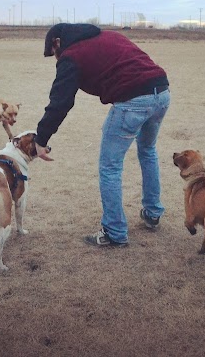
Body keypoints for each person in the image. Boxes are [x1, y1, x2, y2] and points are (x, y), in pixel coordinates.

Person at [35, 23, 170, 247]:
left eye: (54, 53)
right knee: (147, 150)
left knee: (110, 166)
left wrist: (41, 139)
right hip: (162, 92)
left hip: (133, 101)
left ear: (58, 42)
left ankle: (114, 232)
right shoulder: (109, 36)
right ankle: (153, 213)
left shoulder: (71, 55)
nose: (57, 59)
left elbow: (60, 102)